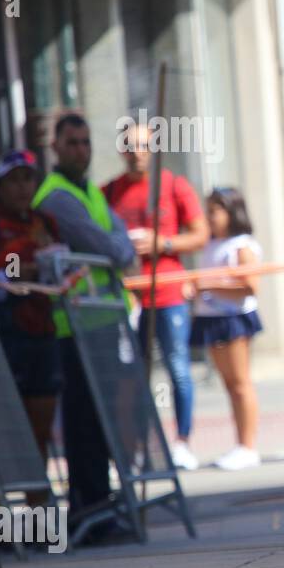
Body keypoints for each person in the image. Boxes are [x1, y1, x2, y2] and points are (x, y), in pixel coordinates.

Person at [31, 113, 138, 545]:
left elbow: (120, 241)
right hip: (71, 327)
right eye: (72, 143)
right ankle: (89, 511)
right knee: (83, 423)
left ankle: (102, 507)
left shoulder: (88, 190)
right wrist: (118, 248)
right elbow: (107, 245)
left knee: (101, 418)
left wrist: (119, 248)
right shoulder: (56, 196)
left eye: (86, 142)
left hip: (101, 321)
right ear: (55, 147)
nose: (81, 150)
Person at [103, 123, 209, 470]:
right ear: (121, 150)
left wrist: (161, 242)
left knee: (178, 367)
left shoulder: (173, 185)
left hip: (168, 293)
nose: (137, 153)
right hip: (128, 298)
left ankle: (181, 442)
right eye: (131, 146)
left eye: (144, 146)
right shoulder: (109, 193)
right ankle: (137, 448)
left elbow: (199, 234)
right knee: (132, 377)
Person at [0, 150, 62, 504]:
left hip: (42, 336)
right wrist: (14, 274)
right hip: (3, 342)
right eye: (14, 180)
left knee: (39, 430)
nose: (22, 187)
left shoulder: (45, 223)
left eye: (28, 178)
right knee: (0, 437)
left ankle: (37, 520)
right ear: (0, 186)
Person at [190, 187, 263, 470]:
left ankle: (248, 445)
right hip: (210, 317)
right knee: (229, 385)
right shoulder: (210, 244)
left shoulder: (241, 246)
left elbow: (249, 286)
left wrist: (208, 283)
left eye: (215, 211)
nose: (209, 217)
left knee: (240, 383)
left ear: (231, 213)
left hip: (233, 318)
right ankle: (240, 443)